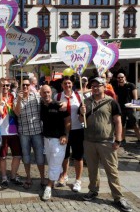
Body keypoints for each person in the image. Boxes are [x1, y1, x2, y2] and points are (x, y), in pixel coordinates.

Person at [79, 77, 132, 212]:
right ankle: (93, 190)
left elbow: (118, 122)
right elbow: (82, 121)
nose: (95, 88)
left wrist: (118, 140)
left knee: (112, 171)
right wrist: (81, 113)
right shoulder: (85, 102)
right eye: (93, 86)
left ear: (104, 87)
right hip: (89, 141)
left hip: (106, 142)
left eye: (98, 85)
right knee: (92, 169)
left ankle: (118, 197)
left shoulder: (111, 102)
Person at [14, 78, 45, 189]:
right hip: (24, 133)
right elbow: (17, 113)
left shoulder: (36, 96)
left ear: (30, 86)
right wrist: (19, 100)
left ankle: (42, 178)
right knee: (26, 157)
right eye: (23, 85)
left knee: (40, 157)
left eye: (27, 85)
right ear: (20, 87)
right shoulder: (16, 99)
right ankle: (28, 177)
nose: (25, 87)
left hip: (37, 131)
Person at [40, 85, 70, 200]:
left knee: (54, 164)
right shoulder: (41, 105)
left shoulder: (59, 105)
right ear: (41, 94)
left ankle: (48, 187)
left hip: (58, 140)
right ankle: (59, 175)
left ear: (51, 93)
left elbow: (67, 120)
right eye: (44, 93)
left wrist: (65, 135)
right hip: (46, 139)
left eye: (48, 92)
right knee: (51, 161)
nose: (46, 94)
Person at [55, 76, 84, 192]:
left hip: (77, 129)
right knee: (64, 155)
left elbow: (83, 116)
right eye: (65, 83)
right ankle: (64, 175)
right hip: (63, 131)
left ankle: (78, 180)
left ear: (72, 84)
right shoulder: (57, 96)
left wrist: (83, 113)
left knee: (78, 156)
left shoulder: (79, 96)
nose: (67, 85)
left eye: (69, 83)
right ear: (62, 85)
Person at [0, 79, 23, 189]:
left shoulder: (13, 97)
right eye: (3, 85)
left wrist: (19, 99)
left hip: (13, 130)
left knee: (17, 155)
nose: (6, 87)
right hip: (1, 131)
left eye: (7, 85)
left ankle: (13, 175)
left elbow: (17, 112)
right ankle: (3, 177)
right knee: (2, 157)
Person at [113, 73, 140, 144]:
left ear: (125, 77)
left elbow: (136, 97)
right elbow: (117, 99)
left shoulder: (131, 85)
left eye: (122, 77)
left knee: (135, 124)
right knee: (122, 124)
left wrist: (135, 107)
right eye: (118, 78)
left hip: (131, 108)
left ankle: (139, 139)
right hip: (121, 109)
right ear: (117, 79)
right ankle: (123, 139)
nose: (120, 79)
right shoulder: (117, 87)